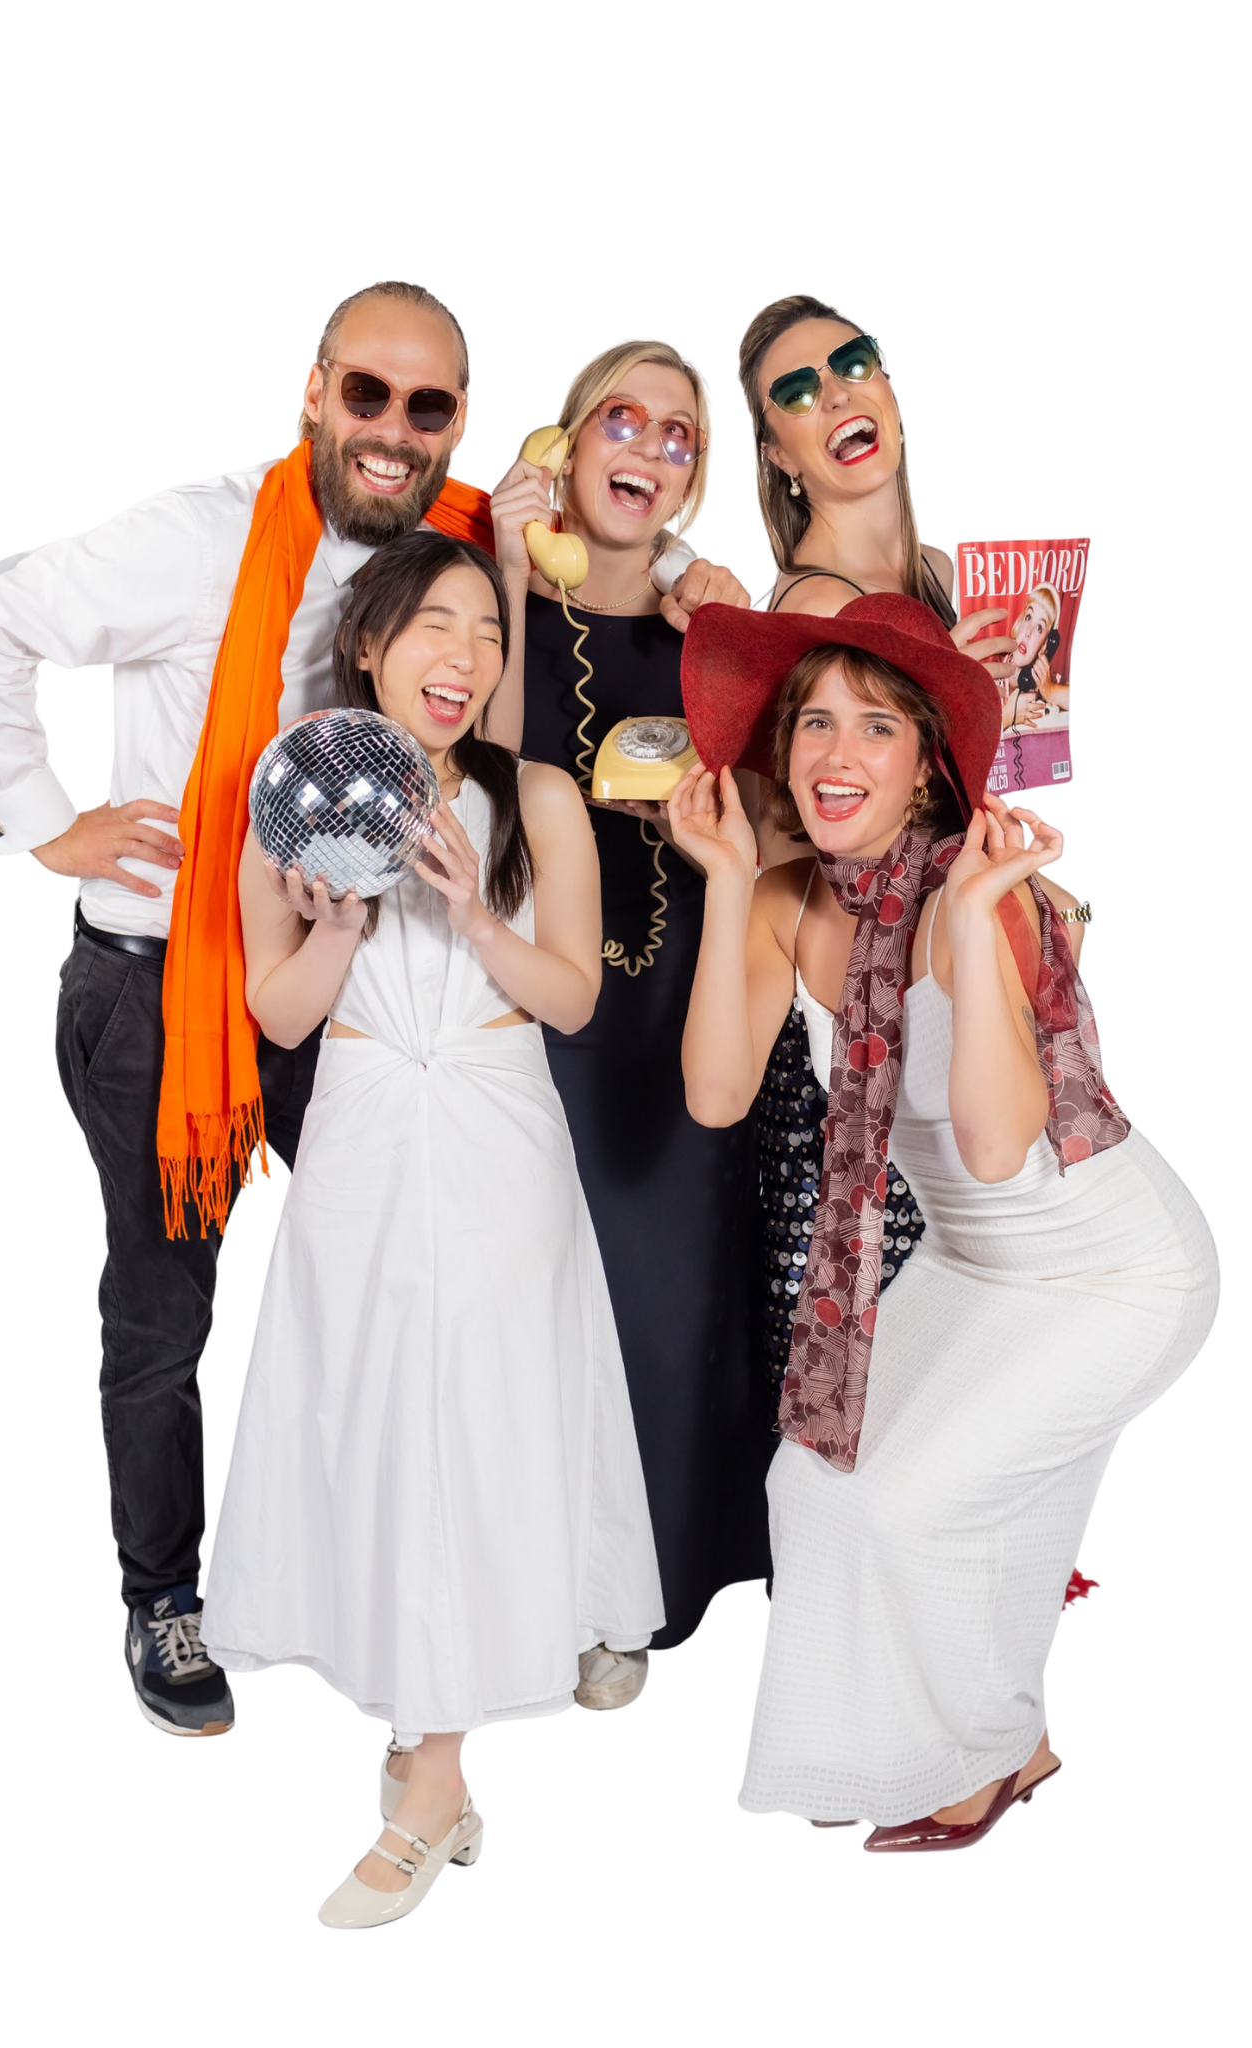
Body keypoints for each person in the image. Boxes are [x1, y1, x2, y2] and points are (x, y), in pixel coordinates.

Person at [0, 279, 500, 1737]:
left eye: (426, 408)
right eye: (367, 394)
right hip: (167, 996)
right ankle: (163, 1593)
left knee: (362, 1299)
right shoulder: (196, 534)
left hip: (363, 985)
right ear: (314, 393)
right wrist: (45, 824)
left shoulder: (462, 552)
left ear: (456, 428)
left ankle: (343, 1584)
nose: (392, 429)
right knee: (165, 1334)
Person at [674, 592, 1220, 1848]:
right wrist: (719, 882)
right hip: (980, 1266)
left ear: (926, 763)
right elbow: (713, 1093)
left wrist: (970, 925)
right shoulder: (778, 899)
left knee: (914, 1506)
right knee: (811, 1488)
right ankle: (1003, 1742)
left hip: (1111, 1269)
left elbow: (992, 1139)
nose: (834, 754)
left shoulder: (981, 891)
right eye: (812, 723)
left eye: (873, 726)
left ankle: (979, 1767)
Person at [198, 531, 663, 1928]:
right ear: (368, 646)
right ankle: (431, 1792)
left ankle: (423, 1795)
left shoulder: (535, 799)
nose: (462, 659)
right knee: (379, 1431)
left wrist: (468, 910)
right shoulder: (289, 795)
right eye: (432, 629)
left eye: (484, 634)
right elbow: (279, 1013)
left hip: (495, 1130)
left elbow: (573, 996)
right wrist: (336, 922)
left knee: (475, 1431)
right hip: (354, 1139)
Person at [486, 339, 768, 1709]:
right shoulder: (489, 607)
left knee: (662, 1307)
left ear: (688, 483)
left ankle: (643, 1601)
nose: (645, 446)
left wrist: (724, 616)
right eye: (619, 418)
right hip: (521, 1009)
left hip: (674, 1005)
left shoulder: (710, 629)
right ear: (566, 444)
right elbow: (469, 752)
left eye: (677, 434)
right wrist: (497, 558)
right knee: (528, 1308)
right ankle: (524, 1577)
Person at [736, 292, 1021, 1399]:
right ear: (781, 454)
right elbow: (788, 863)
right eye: (796, 392)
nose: (837, 393)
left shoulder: (955, 593)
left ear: (893, 388)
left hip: (969, 1050)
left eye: (852, 363)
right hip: (857, 1098)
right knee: (901, 1432)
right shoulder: (805, 611)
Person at [999, 583, 1068, 730]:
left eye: (1039, 628)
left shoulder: (1047, 682)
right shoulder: (990, 673)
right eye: (1028, 617)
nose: (1028, 632)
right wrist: (1005, 718)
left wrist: (1051, 692)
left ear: (1044, 646)